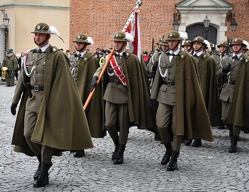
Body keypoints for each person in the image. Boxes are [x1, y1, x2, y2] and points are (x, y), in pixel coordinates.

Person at [10, 22, 93, 188]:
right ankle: (42, 161)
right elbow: (22, 79)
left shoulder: (57, 56)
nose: (37, 37)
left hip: (50, 102)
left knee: (45, 137)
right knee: (28, 134)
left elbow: (65, 82)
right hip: (33, 99)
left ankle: (44, 170)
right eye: (35, 34)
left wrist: (60, 104)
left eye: (40, 35)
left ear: (48, 37)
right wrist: (15, 100)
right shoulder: (30, 55)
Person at [150, 31, 214, 171]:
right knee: (161, 125)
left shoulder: (186, 58)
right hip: (165, 94)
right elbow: (157, 78)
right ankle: (168, 148)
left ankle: (174, 157)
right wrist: (153, 96)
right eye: (169, 41)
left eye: (173, 41)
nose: (170, 43)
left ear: (179, 42)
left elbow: (193, 80)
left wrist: (190, 98)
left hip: (180, 96)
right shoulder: (163, 57)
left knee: (177, 128)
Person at [90, 31, 153, 165]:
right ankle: (117, 144)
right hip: (110, 92)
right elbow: (101, 68)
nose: (116, 44)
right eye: (115, 42)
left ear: (124, 44)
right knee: (109, 123)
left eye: (119, 42)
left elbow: (137, 77)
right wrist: (95, 77)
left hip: (124, 95)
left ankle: (121, 150)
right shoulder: (109, 57)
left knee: (124, 125)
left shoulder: (131, 59)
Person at [217, 38, 249, 153]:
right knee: (224, 117)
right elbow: (217, 75)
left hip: (239, 91)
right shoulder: (226, 59)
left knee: (236, 118)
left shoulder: (247, 61)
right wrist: (223, 70)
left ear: (242, 47)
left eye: (238, 45)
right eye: (234, 45)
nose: (235, 47)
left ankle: (234, 141)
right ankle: (232, 131)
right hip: (227, 90)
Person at [69, 34, 106, 158]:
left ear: (85, 45)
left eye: (80, 43)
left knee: (82, 120)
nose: (77, 45)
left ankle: (80, 147)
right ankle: (73, 143)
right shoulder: (72, 58)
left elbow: (93, 76)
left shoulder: (91, 59)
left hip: (84, 93)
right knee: (72, 119)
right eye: (76, 43)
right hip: (72, 92)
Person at [184, 37, 220, 147]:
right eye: (194, 43)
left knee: (199, 114)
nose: (195, 46)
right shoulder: (189, 58)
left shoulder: (209, 60)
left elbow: (213, 77)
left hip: (203, 89)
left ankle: (198, 137)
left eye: (198, 44)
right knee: (189, 113)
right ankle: (189, 136)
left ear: (203, 46)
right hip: (190, 89)